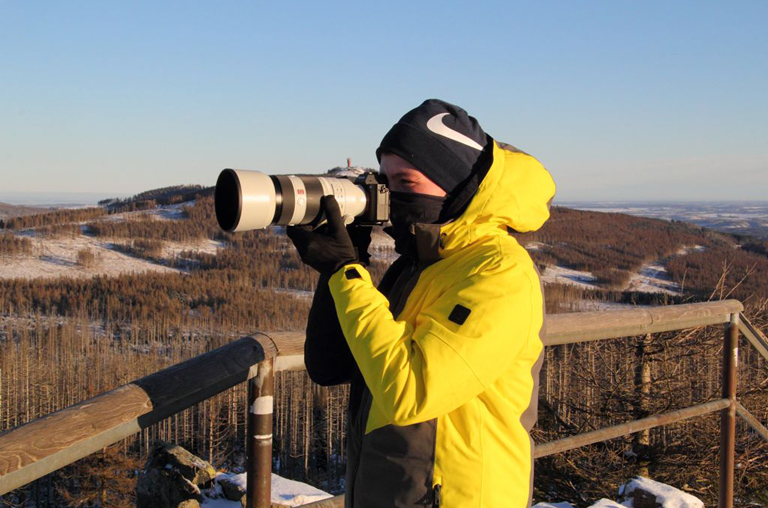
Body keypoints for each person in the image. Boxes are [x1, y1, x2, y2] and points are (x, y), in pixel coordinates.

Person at [287, 99, 556, 508]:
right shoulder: (420, 265)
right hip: (391, 490)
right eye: (386, 180)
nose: (391, 196)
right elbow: (331, 365)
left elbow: (410, 391)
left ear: (457, 186)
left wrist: (346, 271)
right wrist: (340, 269)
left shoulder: (499, 274)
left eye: (406, 183)